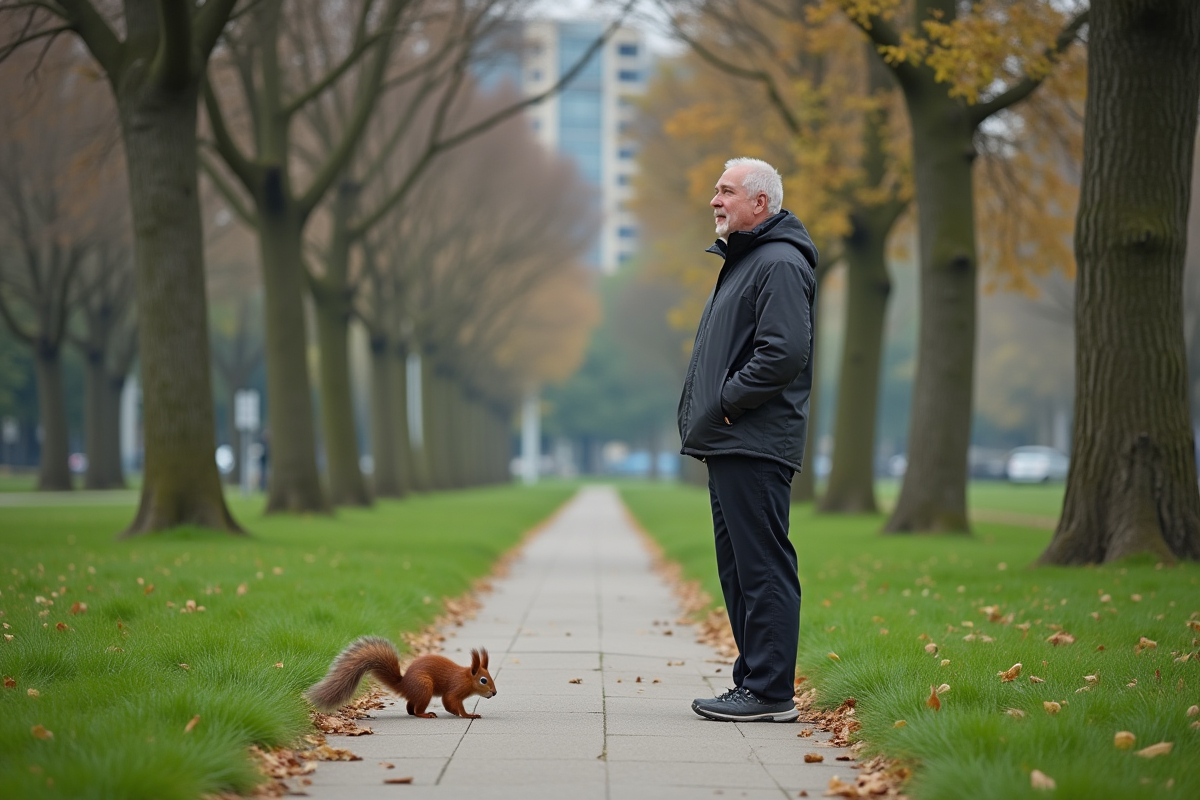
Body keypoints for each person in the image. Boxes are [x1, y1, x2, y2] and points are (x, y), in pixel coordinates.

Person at [678, 157, 818, 722]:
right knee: (739, 571)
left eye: (727, 191)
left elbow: (784, 352)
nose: (715, 200)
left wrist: (728, 403)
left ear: (760, 203)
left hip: (753, 438)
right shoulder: (749, 260)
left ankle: (769, 691)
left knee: (761, 568)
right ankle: (754, 682)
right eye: (716, 190)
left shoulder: (778, 262)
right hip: (734, 439)